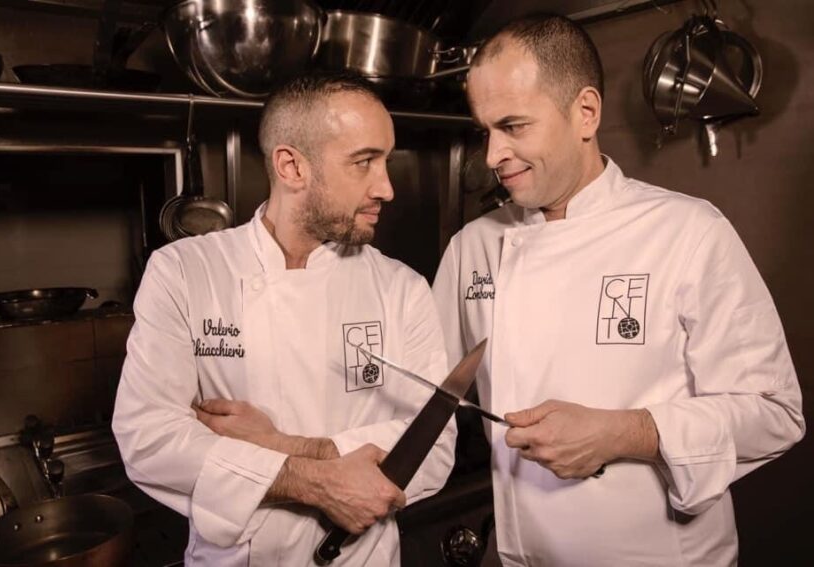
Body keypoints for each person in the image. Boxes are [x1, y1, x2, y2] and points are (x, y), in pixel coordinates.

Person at [432, 14, 804, 566]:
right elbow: (427, 399)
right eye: (484, 131)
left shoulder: (687, 231)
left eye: (514, 126)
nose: (491, 155)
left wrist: (628, 433)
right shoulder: (473, 248)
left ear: (585, 112)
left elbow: (775, 413)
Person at [113, 73, 456, 566]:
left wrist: (279, 445)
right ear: (292, 166)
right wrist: (314, 481)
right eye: (364, 162)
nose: (386, 188)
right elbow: (149, 439)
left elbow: (434, 446)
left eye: (386, 161)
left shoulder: (401, 288)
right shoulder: (186, 272)